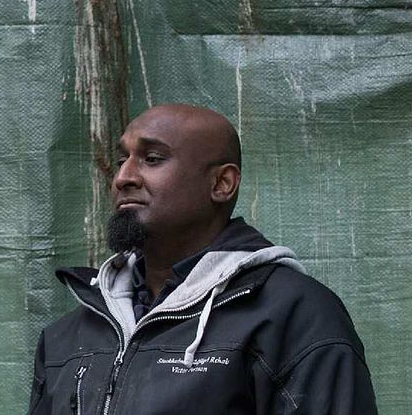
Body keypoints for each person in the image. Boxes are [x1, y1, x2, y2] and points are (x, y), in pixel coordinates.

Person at [27, 103, 377, 414]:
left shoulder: (295, 316)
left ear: (222, 183)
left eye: (152, 159)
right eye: (122, 160)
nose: (123, 177)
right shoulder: (68, 335)